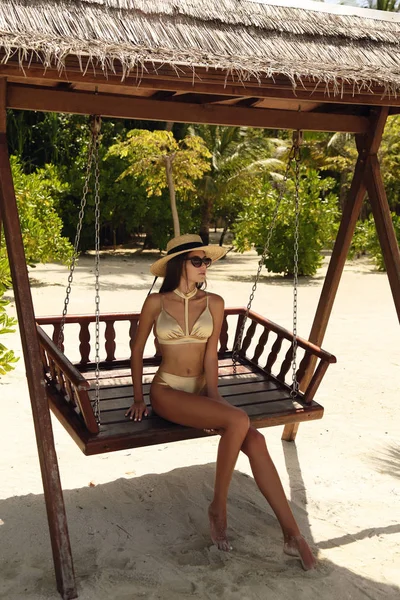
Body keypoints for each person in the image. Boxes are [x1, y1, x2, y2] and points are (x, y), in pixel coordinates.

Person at [126, 234, 316, 569]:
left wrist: (215, 398)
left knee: (253, 439)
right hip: (168, 390)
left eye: (206, 261)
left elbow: (211, 354)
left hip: (200, 393)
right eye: (196, 261)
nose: (204, 266)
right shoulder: (157, 303)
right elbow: (138, 349)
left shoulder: (214, 302)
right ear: (177, 265)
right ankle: (218, 506)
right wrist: (139, 397)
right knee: (240, 422)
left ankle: (292, 535)